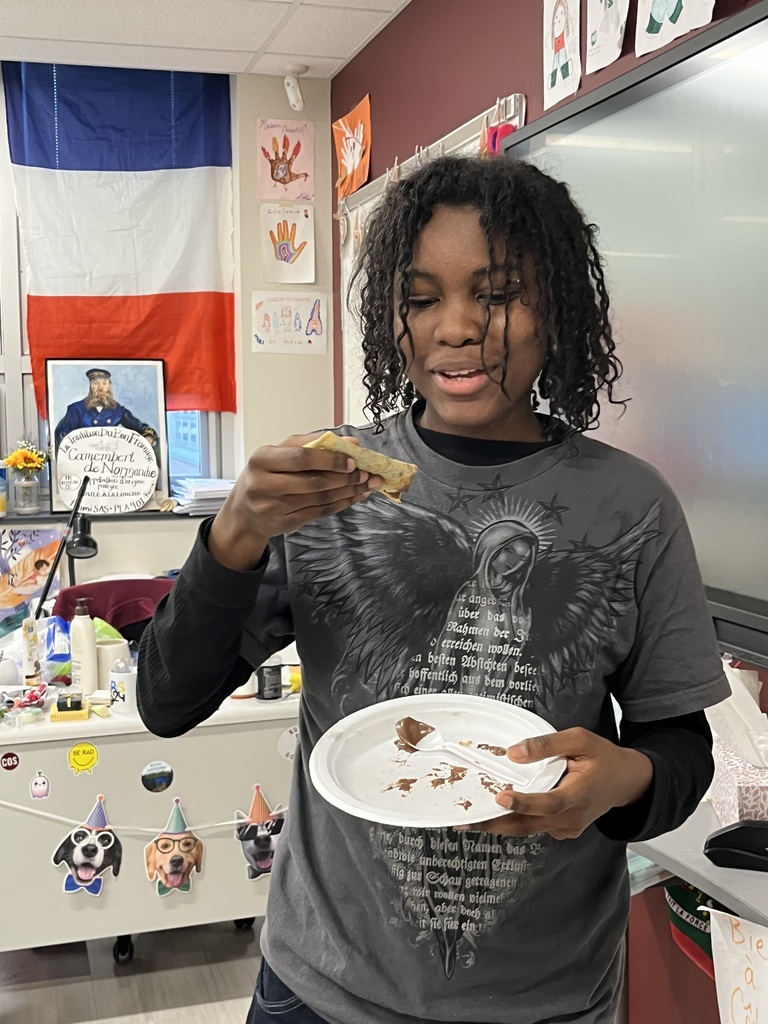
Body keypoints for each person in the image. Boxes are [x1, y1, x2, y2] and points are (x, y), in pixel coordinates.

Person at [137, 155, 728, 1024]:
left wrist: (625, 781)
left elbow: (679, 745)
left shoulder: (631, 506)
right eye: (421, 298)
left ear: (554, 306)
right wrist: (232, 536)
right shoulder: (326, 484)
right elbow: (166, 702)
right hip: (321, 989)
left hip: (548, 1000)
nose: (454, 328)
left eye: (495, 294)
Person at [54, 368, 159, 450]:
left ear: (110, 386)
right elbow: (62, 434)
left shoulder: (118, 411)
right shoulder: (76, 409)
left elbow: (141, 428)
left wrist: (149, 438)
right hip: (83, 462)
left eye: (104, 383)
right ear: (90, 386)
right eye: (95, 383)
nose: (100, 388)